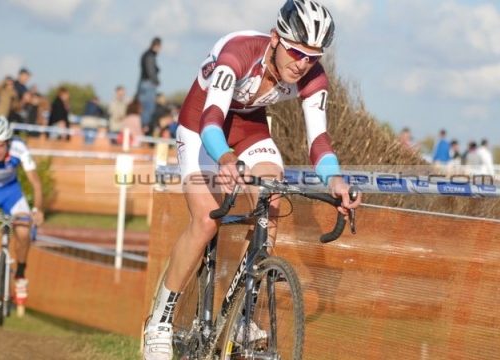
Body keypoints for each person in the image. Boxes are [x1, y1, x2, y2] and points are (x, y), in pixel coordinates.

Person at [142, 1, 361, 359]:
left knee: (272, 197)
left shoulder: (313, 76)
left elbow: (318, 141)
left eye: (312, 56)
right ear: (276, 39)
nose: (302, 63)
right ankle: (161, 321)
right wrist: (225, 158)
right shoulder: (239, 53)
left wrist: (335, 180)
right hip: (202, 123)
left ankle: (244, 311)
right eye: (295, 52)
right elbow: (212, 117)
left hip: (249, 129)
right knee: (205, 221)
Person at [0, 117, 44, 325]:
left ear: (8, 143)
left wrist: (37, 209)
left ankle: (20, 274)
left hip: (12, 193)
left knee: (23, 231)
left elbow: (36, 183)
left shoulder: (20, 148)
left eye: (1, 146)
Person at [138, 37, 162, 129]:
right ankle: (145, 128)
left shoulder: (145, 54)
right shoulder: (150, 56)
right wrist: (156, 81)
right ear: (157, 46)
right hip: (148, 84)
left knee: (144, 108)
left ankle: (143, 127)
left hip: (143, 83)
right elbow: (150, 70)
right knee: (148, 108)